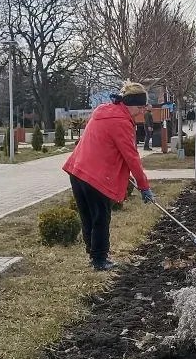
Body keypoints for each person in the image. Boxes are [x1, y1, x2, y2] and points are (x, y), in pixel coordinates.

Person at [63, 80, 155, 271]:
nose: (141, 112)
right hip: (96, 177)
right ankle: (99, 260)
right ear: (132, 105)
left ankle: (93, 253)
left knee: (88, 217)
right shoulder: (122, 123)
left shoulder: (102, 111)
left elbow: (104, 145)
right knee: (101, 218)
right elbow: (132, 157)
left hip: (77, 171)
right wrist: (144, 187)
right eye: (141, 107)